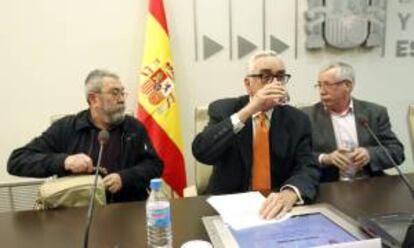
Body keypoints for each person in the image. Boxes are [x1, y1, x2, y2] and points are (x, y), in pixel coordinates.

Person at [192, 51, 320, 219]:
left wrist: (290, 192)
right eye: (265, 76)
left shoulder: (297, 119)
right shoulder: (224, 109)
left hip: (275, 207)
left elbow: (307, 166)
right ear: (248, 83)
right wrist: (250, 110)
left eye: (280, 77)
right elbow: (203, 152)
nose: (275, 83)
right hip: (229, 206)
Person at [7, 69, 163, 203]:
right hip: (77, 215)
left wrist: (125, 178)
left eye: (123, 92)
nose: (122, 99)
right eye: (115, 93)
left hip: (127, 211)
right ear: (93, 99)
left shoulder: (133, 127)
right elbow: (17, 161)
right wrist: (64, 161)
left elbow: (155, 165)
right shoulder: (66, 128)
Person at [302, 62, 405, 182]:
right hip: (327, 185)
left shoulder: (374, 113)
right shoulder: (306, 116)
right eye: (319, 85)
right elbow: (298, 157)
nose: (322, 91)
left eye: (327, 85)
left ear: (347, 85)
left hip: (369, 184)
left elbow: (397, 151)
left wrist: (369, 154)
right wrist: (326, 158)